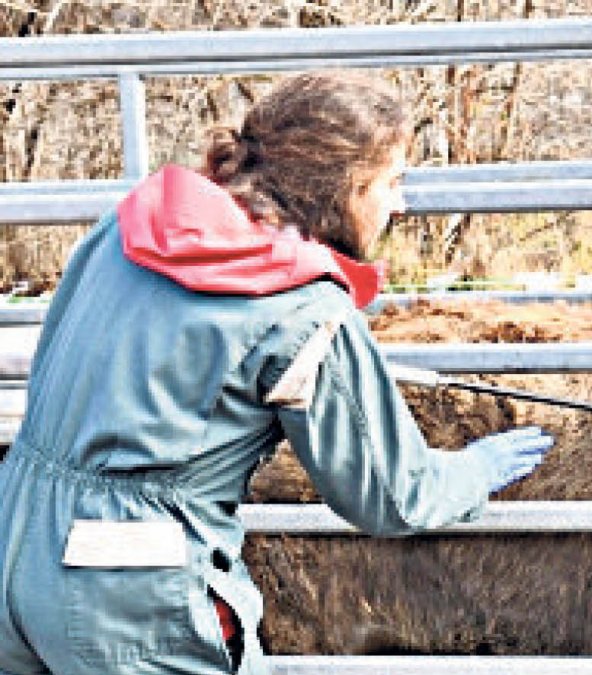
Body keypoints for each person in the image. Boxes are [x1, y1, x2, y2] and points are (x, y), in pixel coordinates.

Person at [0, 71, 554, 675]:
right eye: (392, 183)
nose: (401, 204)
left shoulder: (132, 225)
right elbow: (390, 494)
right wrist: (475, 471)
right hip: (129, 591)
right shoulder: (303, 308)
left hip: (14, 543)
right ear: (342, 187)